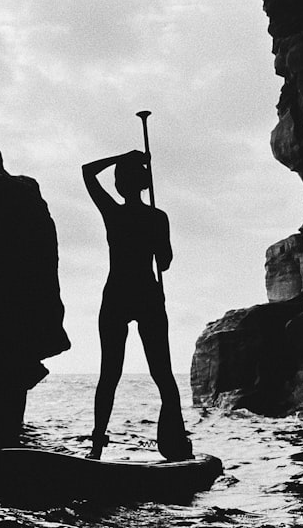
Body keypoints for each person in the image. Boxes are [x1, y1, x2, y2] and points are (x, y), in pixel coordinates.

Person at [82, 149, 192, 461]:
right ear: (144, 184)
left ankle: (95, 449)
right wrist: (155, 241)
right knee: (163, 374)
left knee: (109, 375)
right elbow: (166, 262)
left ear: (119, 186)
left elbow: (87, 171)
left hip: (118, 293)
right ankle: (177, 445)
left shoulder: (112, 212)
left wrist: (122, 156)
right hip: (146, 293)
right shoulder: (157, 217)